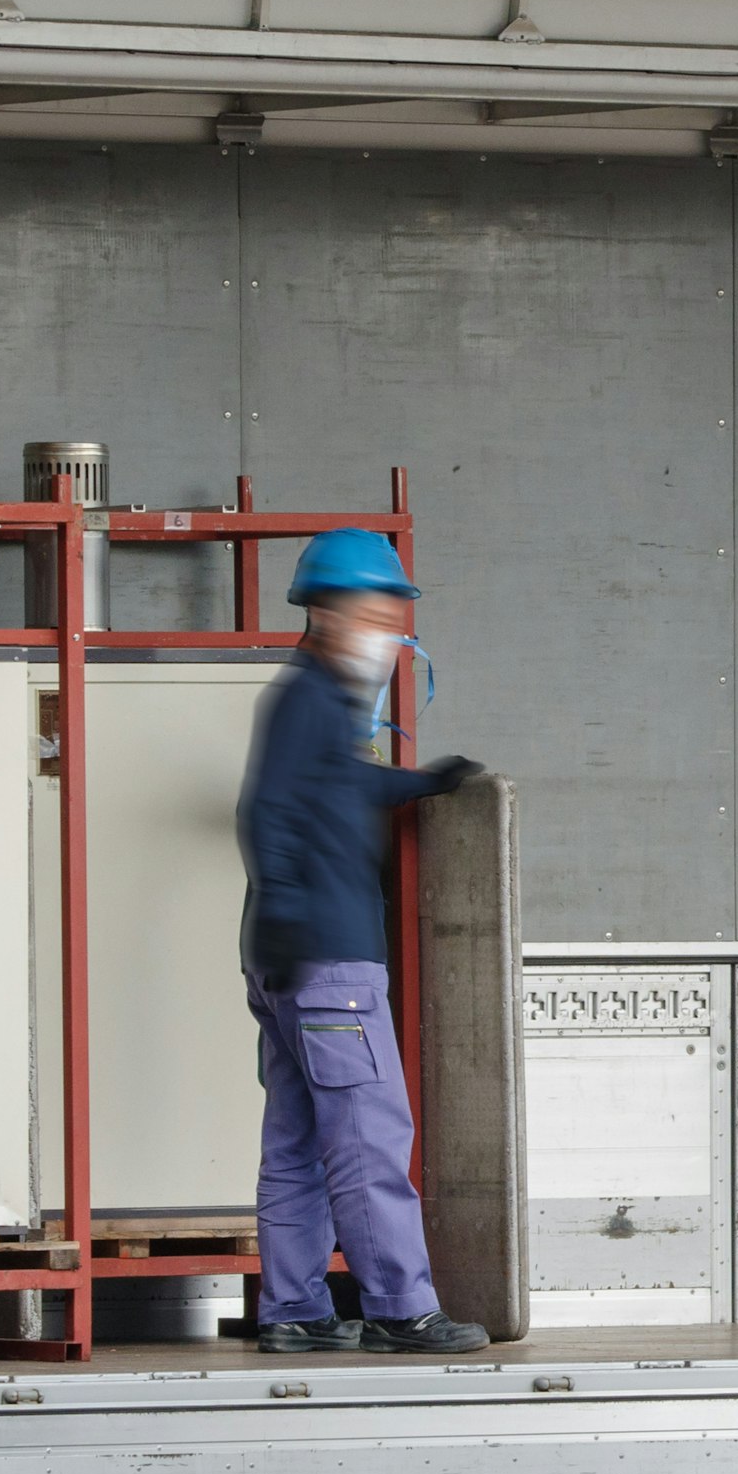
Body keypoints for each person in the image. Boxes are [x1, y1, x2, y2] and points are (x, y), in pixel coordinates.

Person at [237, 527, 490, 1356]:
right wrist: (284, 910)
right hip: (328, 963)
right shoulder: (311, 698)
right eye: (382, 608)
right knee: (370, 1135)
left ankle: (295, 1311)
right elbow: (268, 811)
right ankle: (399, 1306)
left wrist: (420, 784)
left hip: (291, 961)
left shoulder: (311, 699)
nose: (392, 626)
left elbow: (333, 784)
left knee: (298, 1144)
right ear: (332, 611)